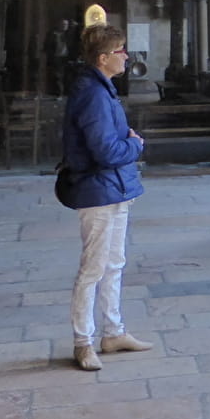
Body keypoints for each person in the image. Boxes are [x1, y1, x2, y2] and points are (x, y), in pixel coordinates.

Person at [64, 22, 152, 371]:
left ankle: (113, 332)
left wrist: (126, 144)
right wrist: (134, 144)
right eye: (120, 51)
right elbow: (106, 151)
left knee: (114, 263)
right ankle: (83, 341)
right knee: (93, 268)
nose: (126, 57)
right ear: (104, 58)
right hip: (98, 188)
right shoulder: (93, 94)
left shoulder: (103, 89)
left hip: (113, 186)